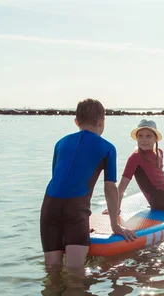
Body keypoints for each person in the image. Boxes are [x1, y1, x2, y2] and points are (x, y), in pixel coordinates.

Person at [40, 98, 136, 279]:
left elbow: (58, 178)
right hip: (76, 210)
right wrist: (115, 226)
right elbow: (110, 188)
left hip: (49, 206)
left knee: (52, 271)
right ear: (102, 122)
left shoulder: (60, 143)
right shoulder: (108, 148)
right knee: (75, 272)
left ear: (76, 122)